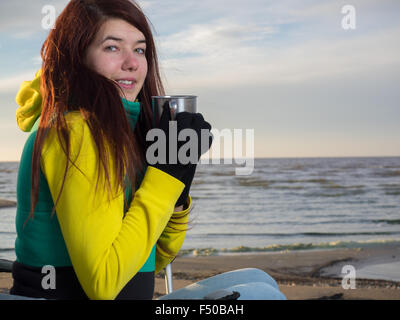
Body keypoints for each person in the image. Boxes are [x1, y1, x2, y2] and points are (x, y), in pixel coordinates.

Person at [11, 0, 212, 300]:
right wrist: (165, 179)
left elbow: (150, 260)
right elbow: (104, 285)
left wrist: (178, 190)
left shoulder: (120, 132)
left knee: (256, 283)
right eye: (112, 47)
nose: (132, 62)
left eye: (140, 49)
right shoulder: (75, 131)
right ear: (77, 58)